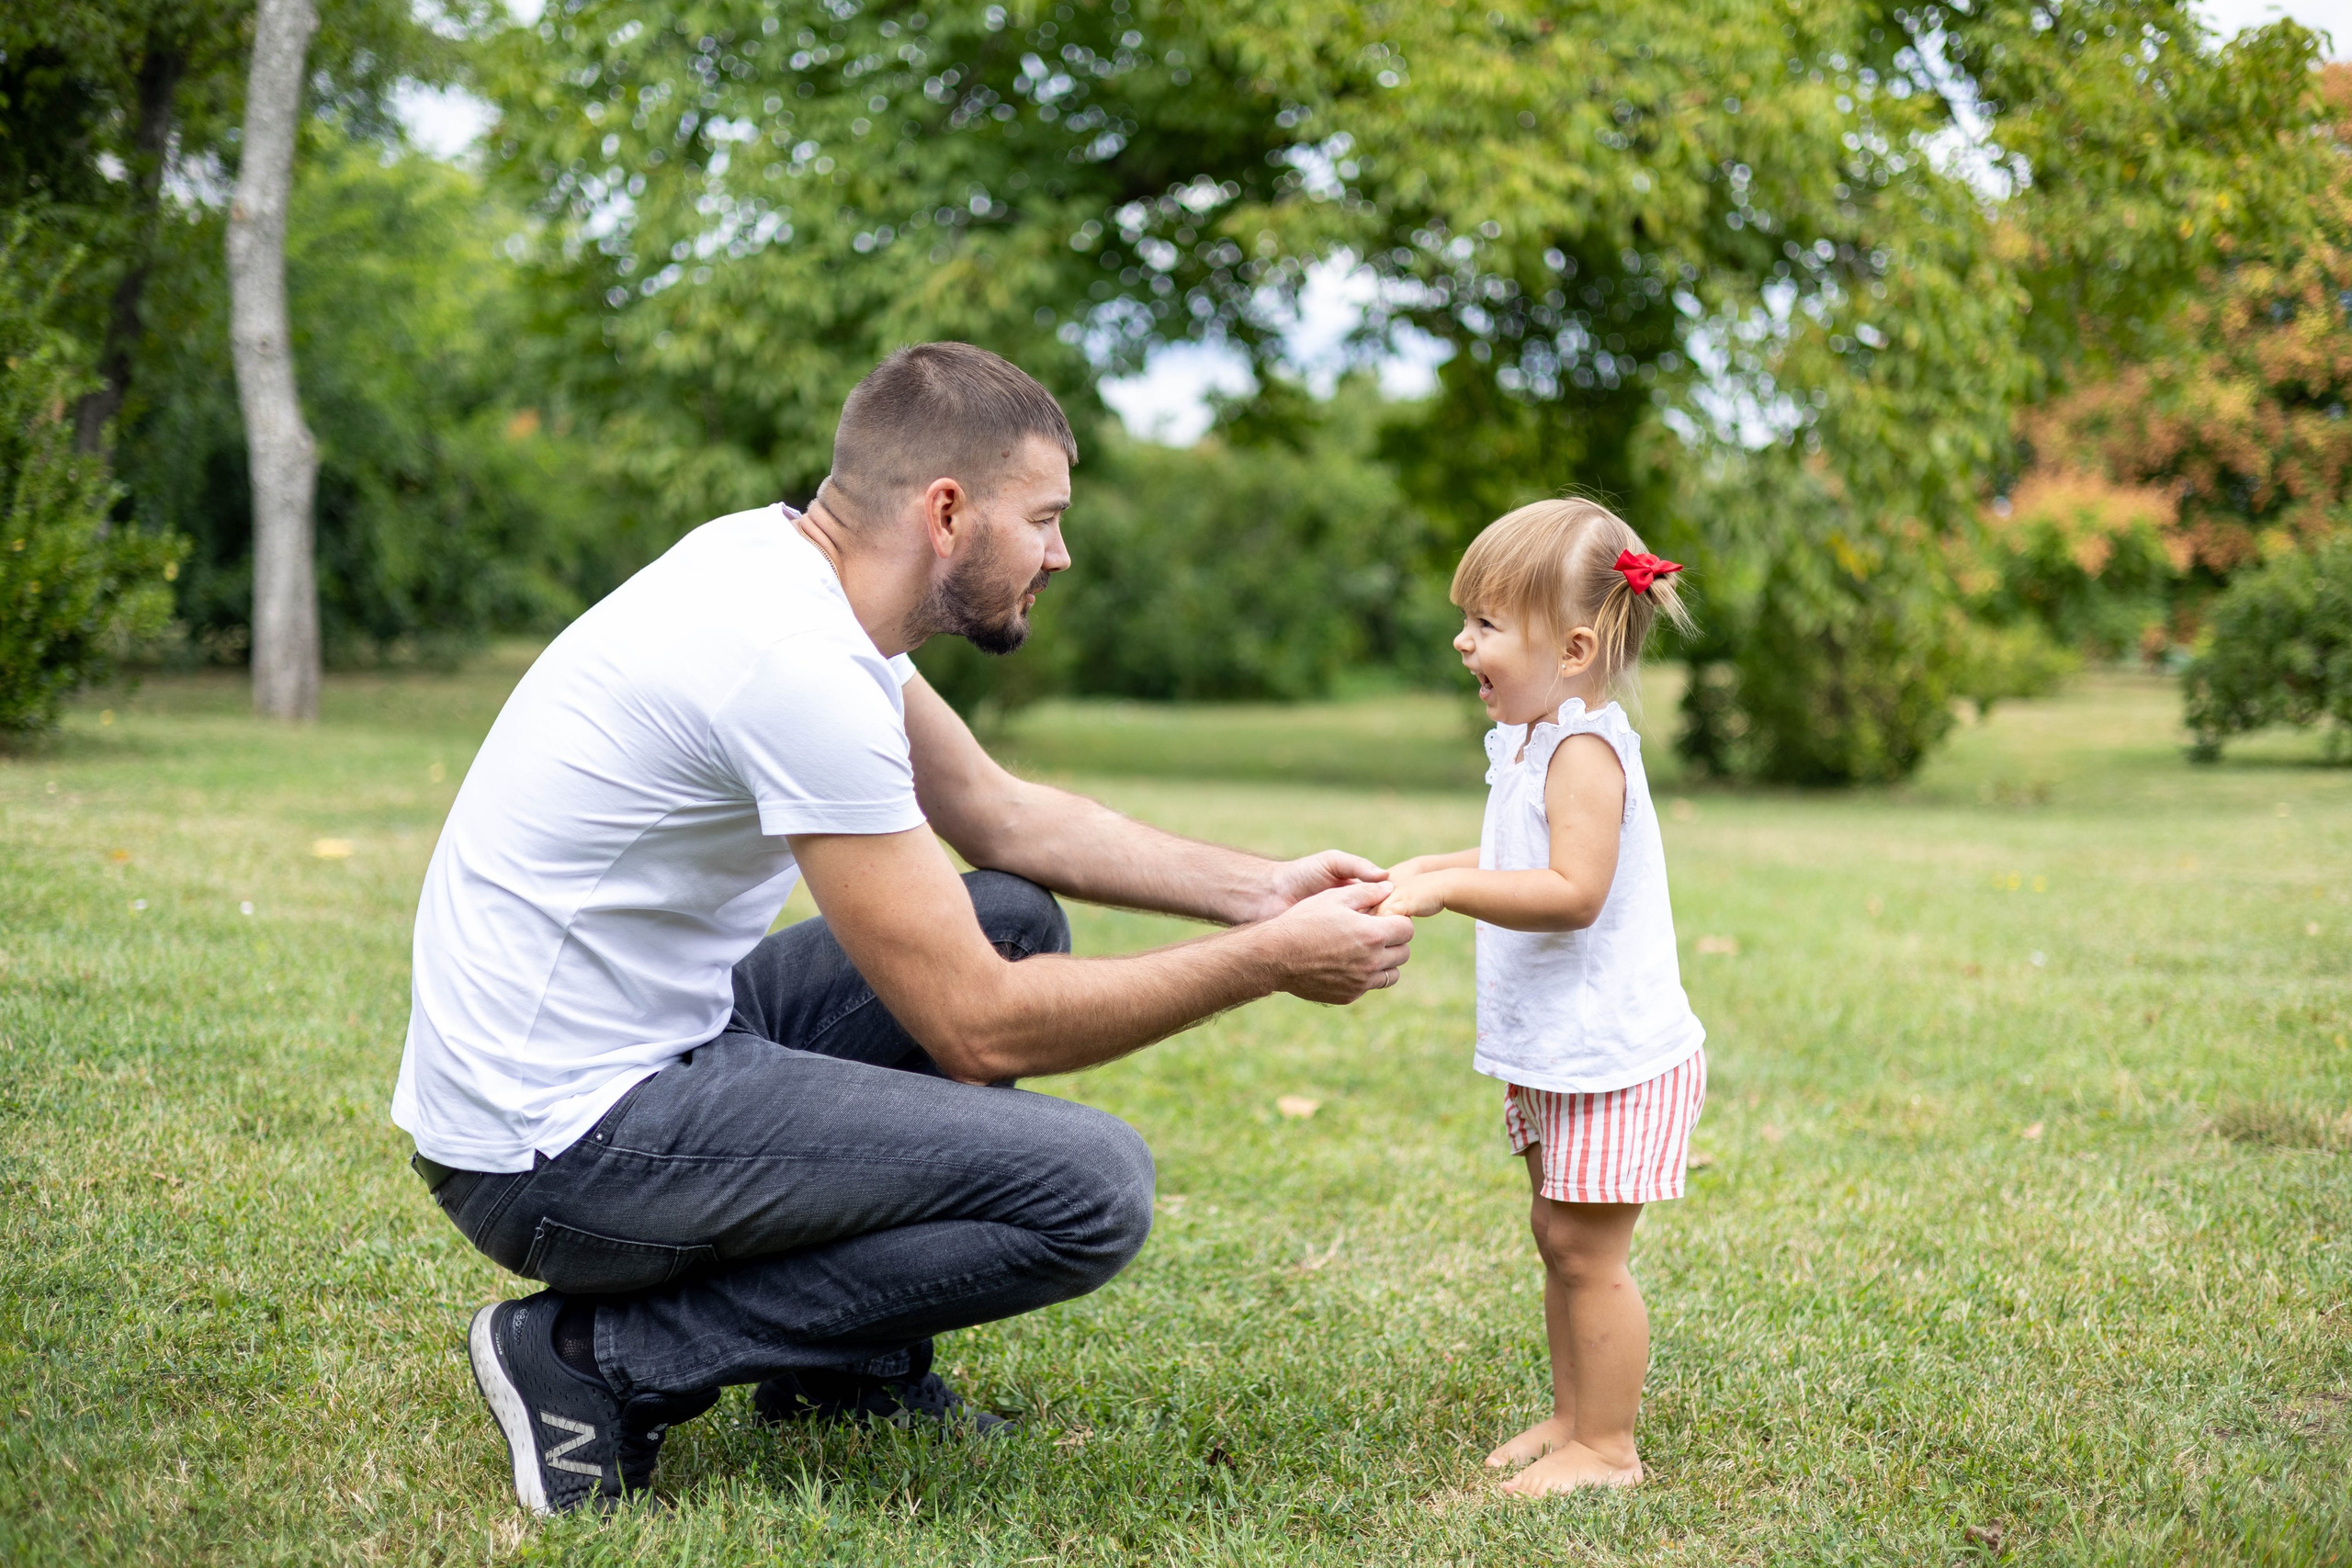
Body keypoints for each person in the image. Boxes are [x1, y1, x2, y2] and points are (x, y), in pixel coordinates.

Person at [391, 343, 1417, 1516]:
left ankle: (840, 1370)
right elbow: (978, 1028)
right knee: (1091, 1188)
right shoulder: (793, 663)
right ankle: (593, 1362)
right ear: (947, 512)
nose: (1061, 554)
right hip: (555, 1145)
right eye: (1043, 519)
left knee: (1010, 916)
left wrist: (1260, 891)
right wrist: (1268, 963)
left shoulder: (784, 575)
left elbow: (999, 815)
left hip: (635, 1045)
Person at [1377, 499, 1704, 1495]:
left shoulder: (1585, 753)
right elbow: (1513, 855)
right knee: (1554, 1237)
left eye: (1482, 623)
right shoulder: (1534, 740)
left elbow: (1572, 891)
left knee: (1585, 1253)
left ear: (1570, 648)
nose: (1459, 640)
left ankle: (1608, 1449)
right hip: (1560, 1046)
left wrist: (1441, 891)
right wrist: (1420, 867)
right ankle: (1572, 1416)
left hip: (1612, 1053)